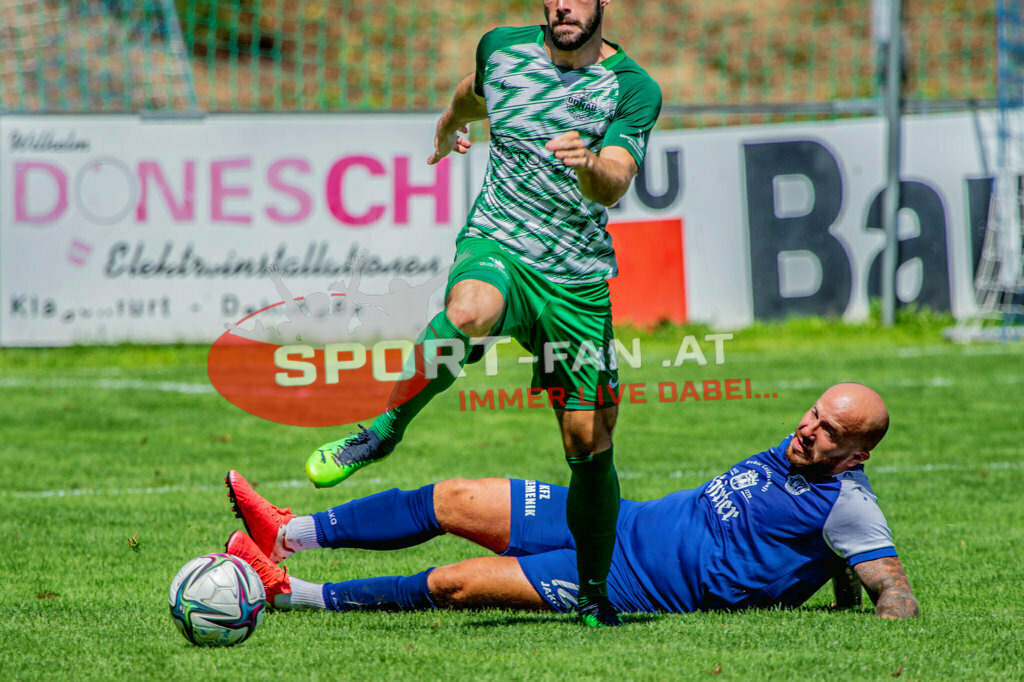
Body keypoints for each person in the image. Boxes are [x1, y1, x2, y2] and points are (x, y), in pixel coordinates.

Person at [303, 0, 662, 626]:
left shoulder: (633, 88)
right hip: (500, 243)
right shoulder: (501, 48)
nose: (564, 5)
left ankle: (593, 592)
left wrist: (587, 164)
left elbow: (615, 180)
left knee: (588, 440)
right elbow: (474, 93)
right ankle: (383, 430)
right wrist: (448, 125)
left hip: (575, 279)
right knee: (469, 310)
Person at [228, 383, 920, 621]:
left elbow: (891, 586)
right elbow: (822, 554)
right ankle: (290, 533)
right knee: (455, 497)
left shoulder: (850, 504)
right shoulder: (801, 450)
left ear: (856, 455)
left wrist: (875, 618)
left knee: (454, 583)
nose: (809, 429)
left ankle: (295, 596)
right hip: (621, 518)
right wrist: (835, 590)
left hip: (634, 581)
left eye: (831, 431)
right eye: (814, 413)